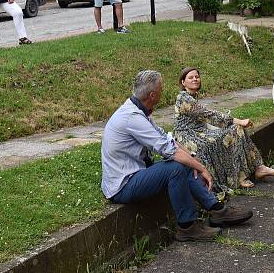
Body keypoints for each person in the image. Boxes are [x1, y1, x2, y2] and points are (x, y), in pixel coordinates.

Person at [101, 70, 253, 242]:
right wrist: (203, 169)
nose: (162, 92)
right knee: (176, 166)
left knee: (185, 161)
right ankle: (187, 227)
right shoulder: (132, 117)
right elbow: (168, 150)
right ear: (152, 95)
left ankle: (217, 210)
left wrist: (192, 159)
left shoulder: (138, 110)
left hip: (136, 173)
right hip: (123, 185)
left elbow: (167, 139)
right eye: (161, 89)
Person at [174, 67, 274, 193]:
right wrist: (239, 120)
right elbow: (209, 115)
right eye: (190, 77)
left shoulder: (191, 96)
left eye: (197, 77)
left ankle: (256, 168)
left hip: (200, 131)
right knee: (230, 133)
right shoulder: (184, 98)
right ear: (183, 82)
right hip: (187, 136)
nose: (195, 79)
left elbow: (207, 117)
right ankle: (242, 176)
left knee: (236, 130)